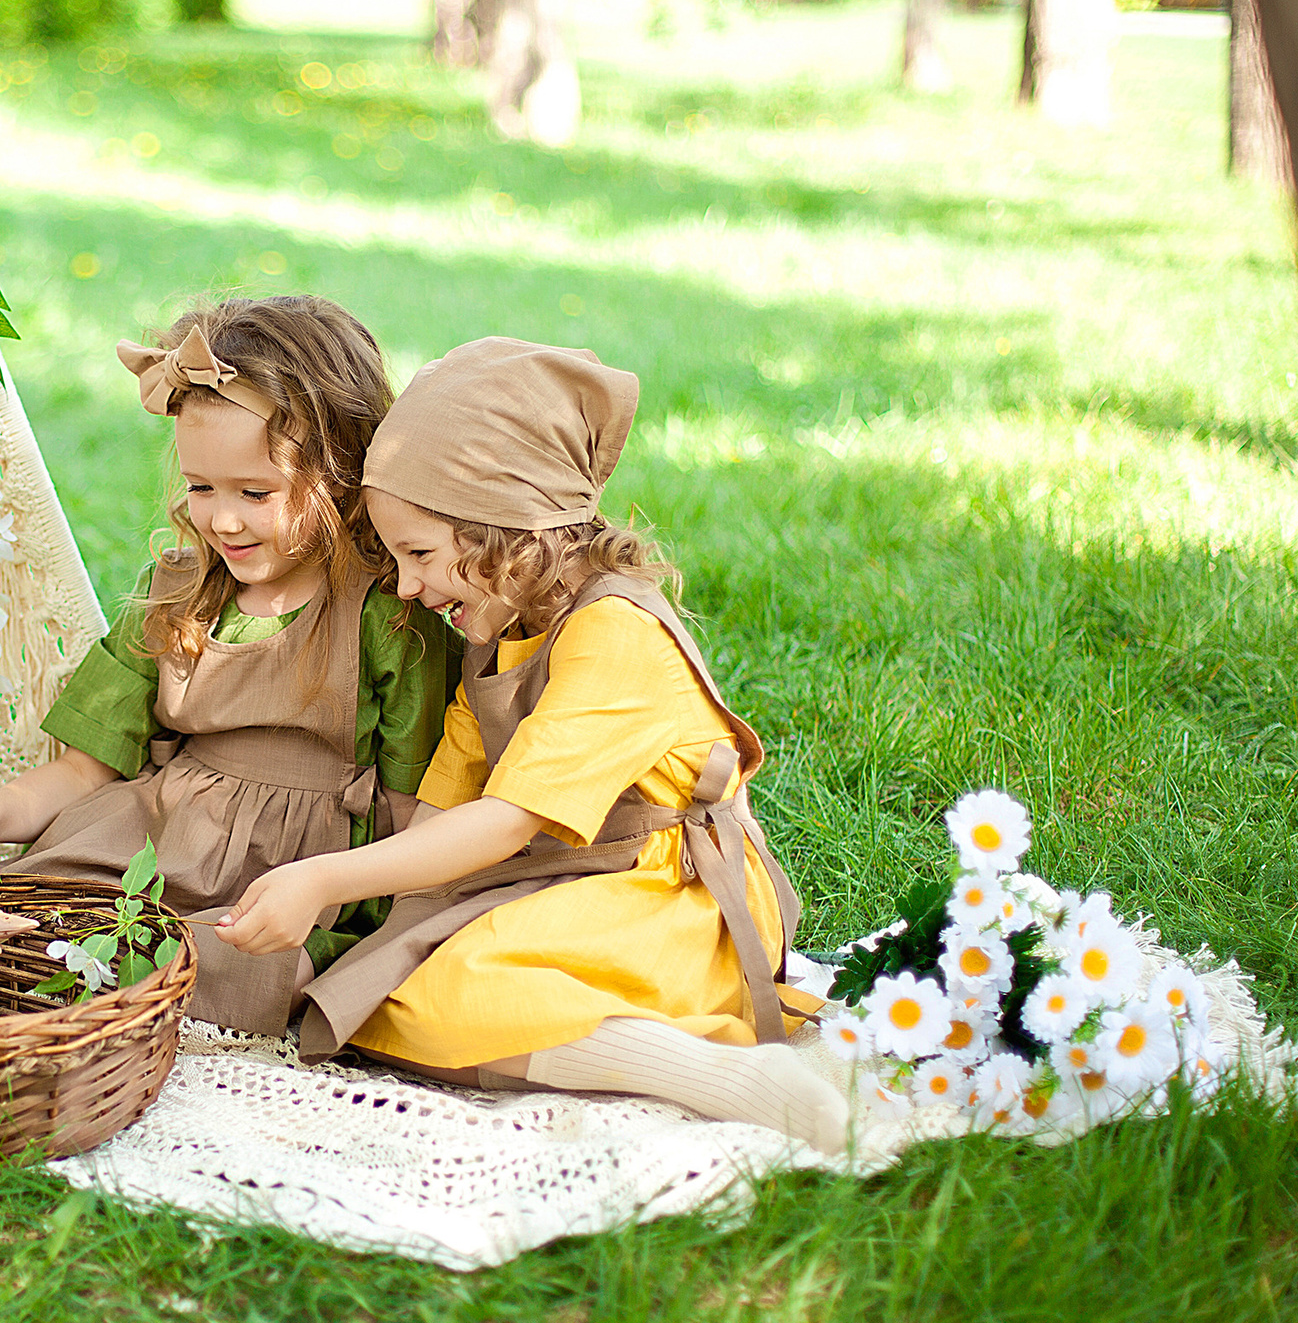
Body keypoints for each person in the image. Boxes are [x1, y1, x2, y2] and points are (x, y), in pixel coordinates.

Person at [209, 336, 848, 1152]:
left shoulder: (615, 633)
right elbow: (440, 811)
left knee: (464, 991)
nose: (406, 586)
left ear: (506, 531)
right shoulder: (506, 632)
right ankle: (545, 1017)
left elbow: (502, 822)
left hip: (668, 895)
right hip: (572, 875)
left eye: (420, 554)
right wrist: (382, 930)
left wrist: (325, 877)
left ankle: (723, 1075)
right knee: (387, 992)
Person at [0, 296, 457, 1033]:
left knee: (216, 966)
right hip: (147, 847)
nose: (222, 519)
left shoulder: (387, 613)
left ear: (340, 472)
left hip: (282, 884)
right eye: (202, 487)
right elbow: (83, 772)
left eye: (255, 493)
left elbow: (413, 812)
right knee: (34, 921)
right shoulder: (179, 590)